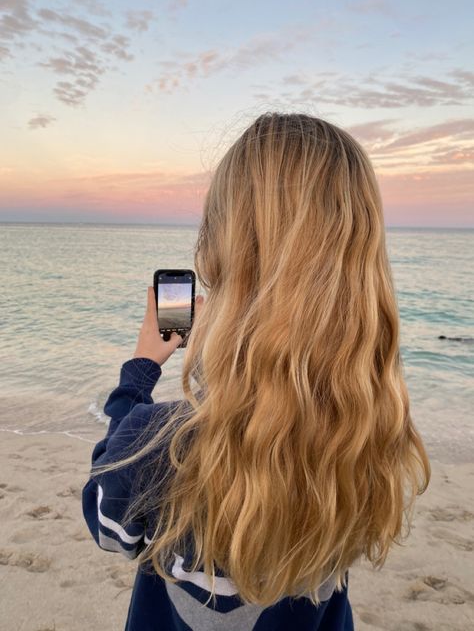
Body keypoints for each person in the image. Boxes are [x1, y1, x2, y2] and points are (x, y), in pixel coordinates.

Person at [82, 112, 431, 630]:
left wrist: (139, 371)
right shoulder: (370, 431)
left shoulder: (161, 444)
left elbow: (108, 522)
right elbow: (273, 410)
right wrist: (230, 366)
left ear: (222, 246)